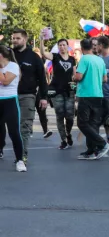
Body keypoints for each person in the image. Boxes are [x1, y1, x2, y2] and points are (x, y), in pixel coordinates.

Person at [8, 29, 48, 161]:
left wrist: (43, 98)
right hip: (9, 96)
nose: (14, 40)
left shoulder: (34, 57)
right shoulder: (7, 55)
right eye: (13, 38)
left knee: (24, 127)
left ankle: (22, 155)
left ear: (24, 39)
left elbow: (42, 79)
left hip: (27, 96)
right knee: (12, 128)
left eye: (17, 38)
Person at [73, 38, 109, 160]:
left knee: (82, 123)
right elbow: (105, 79)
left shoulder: (84, 59)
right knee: (93, 124)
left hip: (86, 94)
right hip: (98, 95)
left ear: (82, 48)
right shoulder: (100, 60)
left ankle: (103, 144)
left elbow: (79, 76)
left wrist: (74, 77)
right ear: (92, 47)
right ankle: (91, 150)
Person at [41, 39, 77, 150]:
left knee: (70, 117)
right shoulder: (55, 57)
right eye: (60, 45)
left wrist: (75, 85)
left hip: (69, 91)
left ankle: (68, 133)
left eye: (64, 45)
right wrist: (42, 39)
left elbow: (75, 75)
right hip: (56, 90)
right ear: (58, 47)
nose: (62, 47)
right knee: (60, 115)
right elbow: (43, 53)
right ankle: (63, 140)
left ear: (67, 46)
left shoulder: (72, 59)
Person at [0, 45, 27, 172]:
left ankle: (20, 160)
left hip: (10, 101)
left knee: (14, 132)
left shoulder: (13, 66)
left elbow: (5, 81)